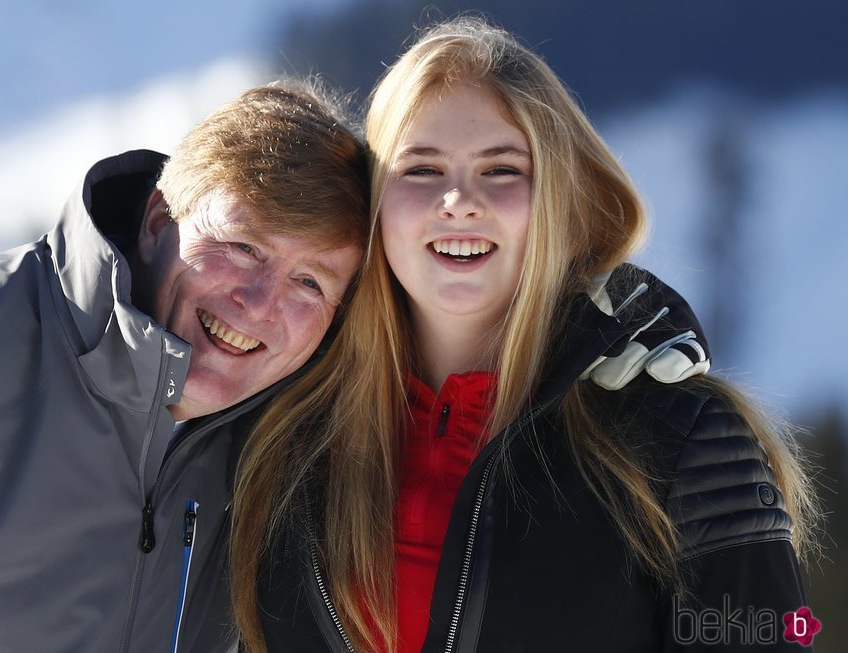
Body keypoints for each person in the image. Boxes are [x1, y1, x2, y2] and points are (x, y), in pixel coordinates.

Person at [230, 18, 820, 653]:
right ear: (374, 203)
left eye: (502, 169)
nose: (458, 200)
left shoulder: (682, 442)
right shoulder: (281, 428)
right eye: (422, 170)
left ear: (557, 200)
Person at [0, 81, 368, 653]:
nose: (258, 304)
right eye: (243, 246)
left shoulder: (290, 455)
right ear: (159, 220)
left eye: (309, 282)